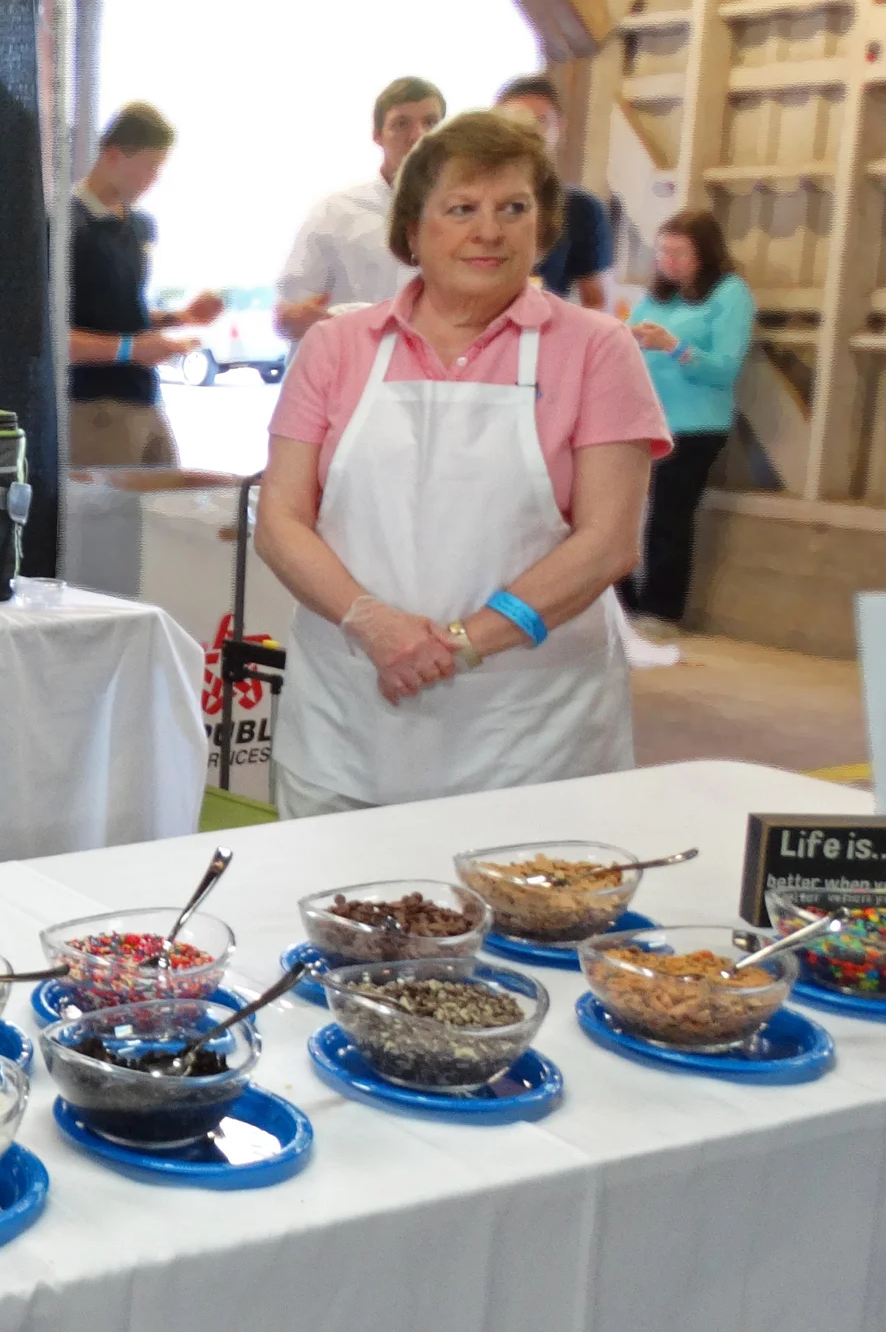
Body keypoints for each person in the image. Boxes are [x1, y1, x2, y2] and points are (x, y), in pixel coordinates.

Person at [254, 110, 671, 816]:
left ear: (542, 228)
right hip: (351, 720)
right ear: (412, 231)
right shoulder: (337, 348)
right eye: (461, 209)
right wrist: (374, 625)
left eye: (514, 208)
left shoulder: (598, 350)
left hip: (530, 730)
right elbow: (281, 522)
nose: (489, 231)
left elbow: (607, 542)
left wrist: (458, 644)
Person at [618, 209, 754, 631]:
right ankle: (621, 601)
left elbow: (725, 368)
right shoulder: (657, 296)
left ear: (704, 254)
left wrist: (673, 346)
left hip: (694, 425)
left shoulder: (730, 294)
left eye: (679, 253)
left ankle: (661, 610)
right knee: (616, 512)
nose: (668, 262)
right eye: (662, 252)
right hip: (645, 420)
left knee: (669, 517)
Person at [67, 103, 220, 466]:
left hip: (147, 398)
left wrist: (180, 317)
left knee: (169, 499)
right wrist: (131, 350)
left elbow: (115, 312)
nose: (154, 179)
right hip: (93, 407)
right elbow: (51, 339)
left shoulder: (140, 226)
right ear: (113, 155)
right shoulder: (65, 226)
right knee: (112, 505)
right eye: (149, 166)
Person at [274, 76, 444, 342]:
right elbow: (287, 317)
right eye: (401, 124)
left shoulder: (467, 215)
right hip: (353, 361)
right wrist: (301, 321)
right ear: (377, 135)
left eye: (430, 123)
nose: (418, 135)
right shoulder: (334, 214)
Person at [495, 75, 613, 309]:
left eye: (541, 120)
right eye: (516, 122)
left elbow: (596, 301)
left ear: (560, 126)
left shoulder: (580, 208)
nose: (529, 131)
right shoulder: (471, 199)